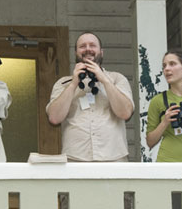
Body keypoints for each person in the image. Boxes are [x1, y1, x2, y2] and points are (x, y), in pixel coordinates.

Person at [46, 32, 134, 162]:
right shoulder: (62, 83)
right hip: (75, 159)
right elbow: (54, 118)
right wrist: (74, 83)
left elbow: (125, 113)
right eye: (82, 46)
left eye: (92, 45)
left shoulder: (116, 79)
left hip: (113, 158)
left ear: (101, 52)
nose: (88, 49)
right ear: (76, 52)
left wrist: (104, 80)